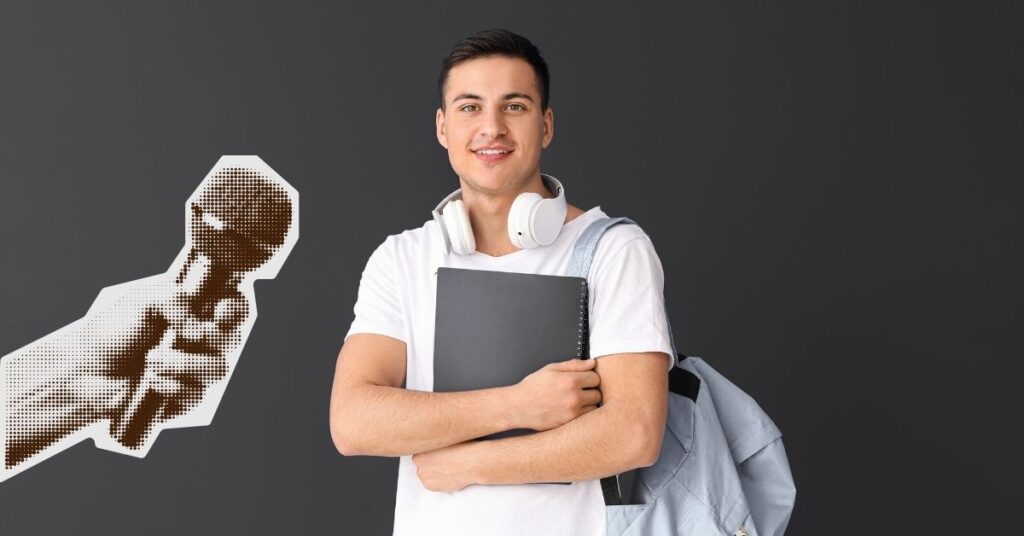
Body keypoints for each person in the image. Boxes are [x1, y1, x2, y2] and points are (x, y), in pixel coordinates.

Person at [329, 28, 675, 536]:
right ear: (443, 127)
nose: (491, 128)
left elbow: (635, 433)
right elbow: (353, 420)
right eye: (470, 107)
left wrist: (468, 465)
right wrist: (519, 404)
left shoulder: (613, 250)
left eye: (514, 106)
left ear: (546, 124)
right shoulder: (401, 258)